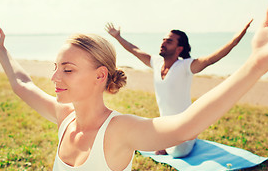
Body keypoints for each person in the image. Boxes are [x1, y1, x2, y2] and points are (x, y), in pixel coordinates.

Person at [0, 0, 268, 171]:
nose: (54, 78)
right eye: (56, 68)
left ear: (101, 76)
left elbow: (187, 125)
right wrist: (1, 51)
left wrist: (255, 64)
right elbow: (23, 84)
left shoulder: (119, 131)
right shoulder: (64, 117)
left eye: (67, 69)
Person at [105, 19, 252, 157]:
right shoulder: (156, 63)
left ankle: (167, 142)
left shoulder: (186, 66)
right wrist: (118, 37)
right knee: (132, 130)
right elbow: (134, 50)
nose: (163, 43)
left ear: (179, 48)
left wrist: (235, 40)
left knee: (176, 153)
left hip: (185, 129)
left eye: (169, 41)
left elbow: (211, 59)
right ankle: (162, 141)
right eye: (163, 40)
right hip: (164, 127)